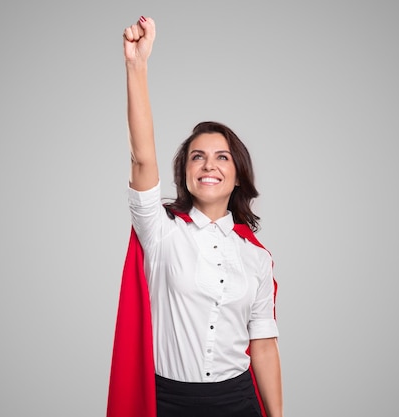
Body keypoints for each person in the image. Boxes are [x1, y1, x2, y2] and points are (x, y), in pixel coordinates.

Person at [107, 16, 283, 417]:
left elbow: (263, 344)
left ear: (238, 175)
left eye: (222, 157)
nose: (209, 165)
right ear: (185, 172)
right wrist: (137, 66)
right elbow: (142, 156)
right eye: (197, 156)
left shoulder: (256, 257)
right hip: (168, 401)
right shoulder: (160, 231)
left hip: (238, 401)